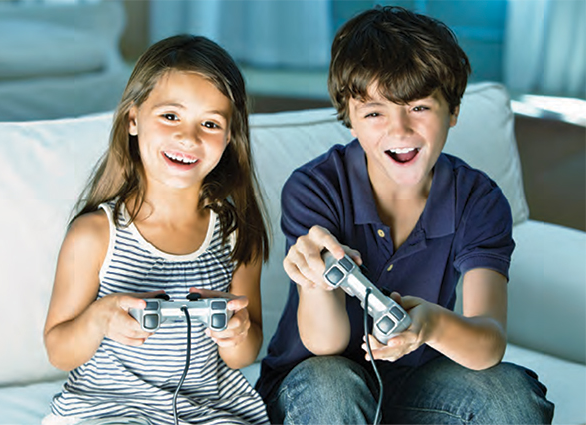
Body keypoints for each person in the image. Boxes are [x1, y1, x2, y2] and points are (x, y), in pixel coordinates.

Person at [256, 6, 554, 425]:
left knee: (510, 397)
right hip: (318, 381)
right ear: (350, 119)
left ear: (453, 111)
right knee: (334, 388)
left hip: (417, 383)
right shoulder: (315, 188)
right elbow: (325, 343)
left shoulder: (478, 199)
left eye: (418, 108)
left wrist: (431, 325)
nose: (399, 130)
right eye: (375, 112)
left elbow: (488, 344)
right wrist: (315, 283)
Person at [43, 34, 270, 425]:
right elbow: (58, 350)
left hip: (206, 412)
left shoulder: (235, 234)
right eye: (170, 116)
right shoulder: (95, 235)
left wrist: (237, 333)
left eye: (210, 123)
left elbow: (245, 352)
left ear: (230, 137)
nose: (189, 136)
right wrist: (99, 318)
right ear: (133, 119)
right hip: (108, 409)